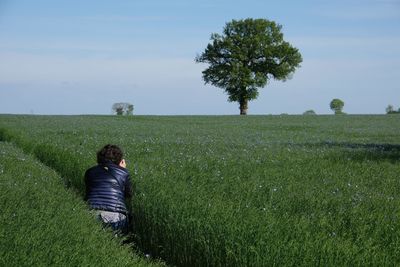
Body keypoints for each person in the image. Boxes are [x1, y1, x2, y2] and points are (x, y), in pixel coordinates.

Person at [84, 144, 132, 235]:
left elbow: (89, 191)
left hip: (91, 213)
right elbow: (128, 194)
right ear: (120, 159)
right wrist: (122, 169)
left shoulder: (90, 172)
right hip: (115, 217)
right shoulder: (124, 173)